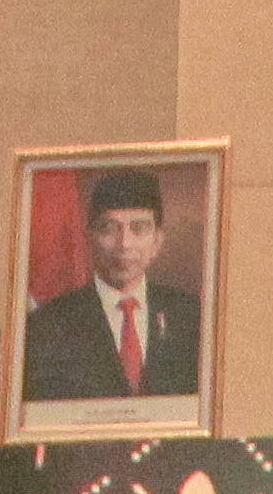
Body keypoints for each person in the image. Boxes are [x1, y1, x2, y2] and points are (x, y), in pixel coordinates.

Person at [22, 166, 205, 404]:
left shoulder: (191, 314)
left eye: (138, 228)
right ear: (89, 238)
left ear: (158, 241)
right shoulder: (48, 324)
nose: (124, 244)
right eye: (109, 228)